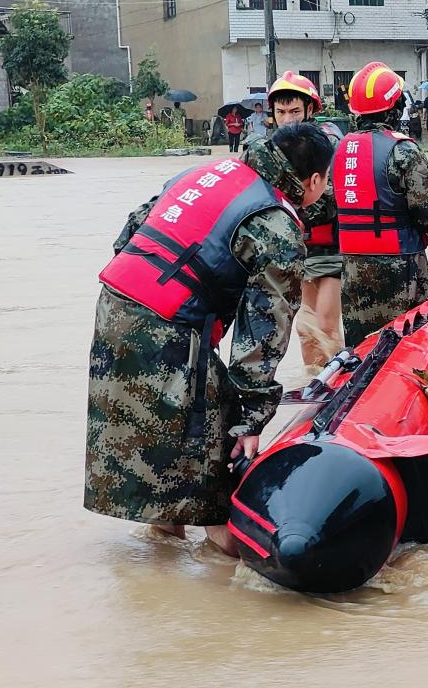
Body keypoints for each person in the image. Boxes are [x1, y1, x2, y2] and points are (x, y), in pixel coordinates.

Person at [85, 123, 335, 555]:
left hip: (115, 310)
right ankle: (225, 587)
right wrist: (251, 420)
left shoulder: (207, 173)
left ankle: (160, 562)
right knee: (213, 467)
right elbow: (265, 332)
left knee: (165, 452)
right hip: (167, 329)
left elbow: (129, 236)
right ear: (313, 181)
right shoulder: (276, 224)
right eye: (324, 181)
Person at [336, 61, 428, 347]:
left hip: (351, 268)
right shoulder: (402, 151)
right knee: (415, 343)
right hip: (400, 267)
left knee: (362, 350)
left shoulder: (339, 149)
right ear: (396, 107)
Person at [245, 71, 345, 372]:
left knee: (325, 321)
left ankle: (338, 383)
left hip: (330, 247)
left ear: (311, 110)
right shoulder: (265, 150)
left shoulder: (327, 143)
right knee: (305, 326)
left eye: (295, 111)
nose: (288, 119)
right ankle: (314, 383)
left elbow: (332, 194)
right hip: (295, 249)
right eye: (281, 112)